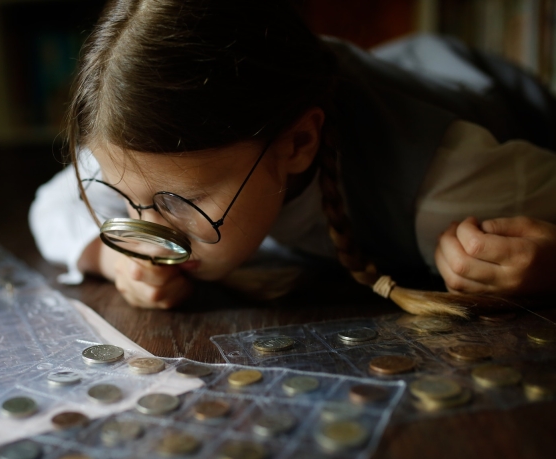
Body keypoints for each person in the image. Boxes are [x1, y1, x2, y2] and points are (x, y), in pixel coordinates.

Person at [30, 0, 556, 317]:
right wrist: (110, 257)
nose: (153, 240)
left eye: (179, 201)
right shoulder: (155, 149)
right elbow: (51, 207)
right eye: (129, 201)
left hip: (475, 87)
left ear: (300, 145)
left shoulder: (452, 186)